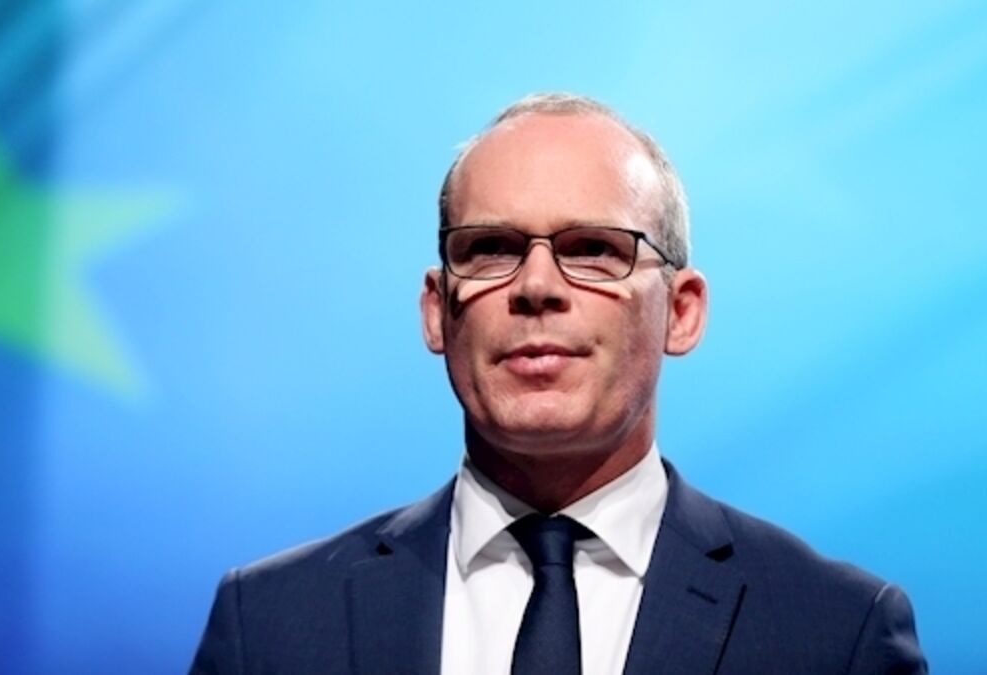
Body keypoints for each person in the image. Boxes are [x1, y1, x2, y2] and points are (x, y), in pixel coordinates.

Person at [189, 92, 927, 674]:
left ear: (681, 311)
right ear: (436, 311)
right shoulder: (270, 624)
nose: (536, 285)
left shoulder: (837, 634)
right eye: (490, 248)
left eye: (593, 249)